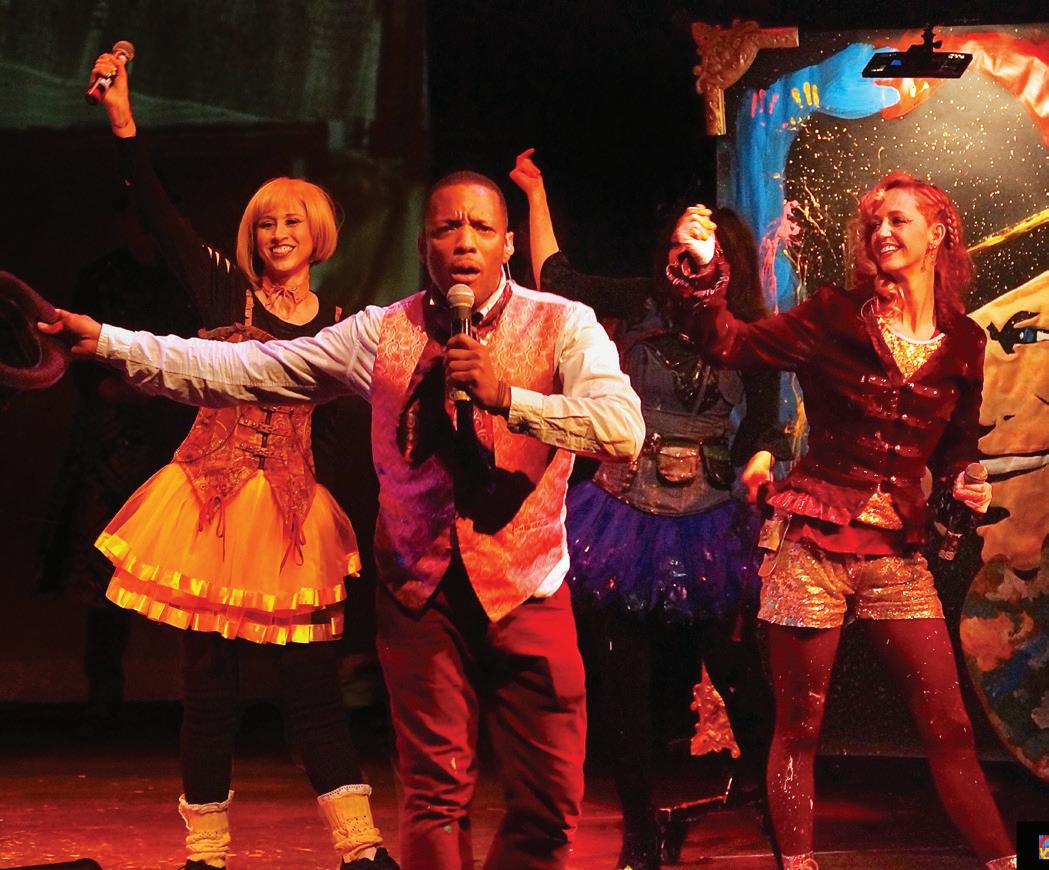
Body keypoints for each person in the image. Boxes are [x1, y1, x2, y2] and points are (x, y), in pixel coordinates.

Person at [42, 162, 646, 869]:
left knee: (548, 802)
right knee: (433, 795)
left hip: (527, 585)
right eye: (447, 227)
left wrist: (510, 399)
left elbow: (622, 429)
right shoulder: (377, 333)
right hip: (418, 592)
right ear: (422, 244)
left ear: (507, 243)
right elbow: (239, 369)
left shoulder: (563, 323)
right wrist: (109, 341)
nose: (464, 241)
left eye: (482, 227)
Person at [83, 51, 397, 870]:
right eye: (265, 223)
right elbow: (160, 220)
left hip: (292, 513)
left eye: (291, 221)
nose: (277, 234)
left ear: (317, 234)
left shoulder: (344, 323)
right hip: (210, 507)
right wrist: (124, 124)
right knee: (210, 688)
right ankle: (206, 854)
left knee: (312, 690)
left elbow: (347, 432)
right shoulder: (228, 293)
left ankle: (360, 848)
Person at [664, 174, 1017, 870]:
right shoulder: (833, 315)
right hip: (814, 544)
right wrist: (702, 273)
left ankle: (1008, 862)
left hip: (895, 552)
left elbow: (957, 447)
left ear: (937, 234)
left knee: (949, 728)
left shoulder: (963, 342)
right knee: (799, 728)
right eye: (873, 223)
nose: (882, 232)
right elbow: (731, 344)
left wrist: (963, 479)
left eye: (898, 220)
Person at [511, 149, 783, 870]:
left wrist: (760, 462)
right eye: (680, 238)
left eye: (705, 238)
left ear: (726, 258)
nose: (689, 247)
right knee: (624, 686)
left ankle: (781, 813)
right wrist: (535, 191)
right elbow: (558, 279)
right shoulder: (638, 304)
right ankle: (638, 833)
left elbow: (763, 426)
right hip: (623, 513)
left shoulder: (750, 330)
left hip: (710, 519)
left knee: (741, 679)